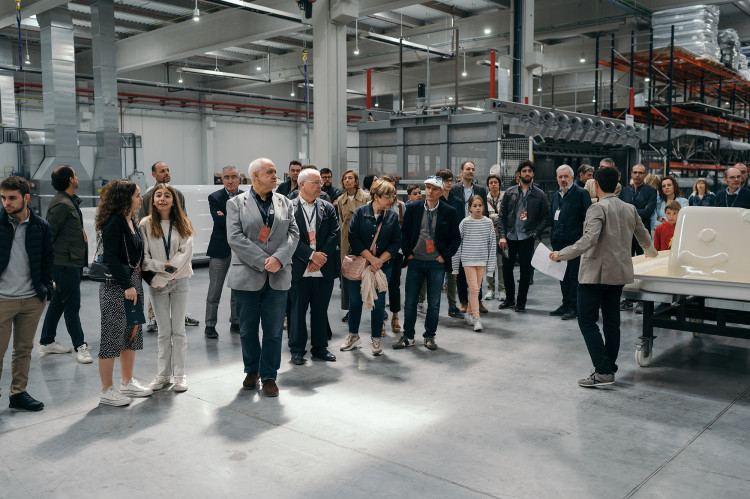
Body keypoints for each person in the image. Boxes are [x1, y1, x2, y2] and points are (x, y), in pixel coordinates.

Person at [550, 166, 657, 388]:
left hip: (594, 276)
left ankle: (603, 370)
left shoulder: (597, 208)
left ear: (596, 185)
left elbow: (588, 240)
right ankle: (608, 367)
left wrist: (561, 254)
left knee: (586, 320)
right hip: (617, 275)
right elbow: (644, 236)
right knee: (611, 322)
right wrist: (653, 255)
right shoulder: (630, 208)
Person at [227, 158, 299, 397]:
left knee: (274, 330)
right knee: (247, 330)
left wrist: (278, 258)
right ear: (255, 176)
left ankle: (269, 375)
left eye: (276, 172)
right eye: (270, 172)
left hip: (278, 275)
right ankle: (251, 370)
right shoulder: (236, 203)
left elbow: (294, 234)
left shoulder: (285, 202)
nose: (275, 176)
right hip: (247, 275)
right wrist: (262, 260)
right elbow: (235, 237)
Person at [96, 179, 153, 407]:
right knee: (111, 335)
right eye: (138, 195)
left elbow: (135, 257)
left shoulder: (132, 220)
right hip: (116, 287)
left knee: (131, 333)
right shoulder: (114, 222)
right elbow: (111, 255)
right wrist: (127, 285)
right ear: (125, 197)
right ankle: (106, 390)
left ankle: (127, 382)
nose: (141, 199)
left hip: (132, 283)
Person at [0, 176, 54, 411]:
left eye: (12, 198)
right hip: (2, 299)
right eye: (3, 198)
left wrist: (45, 290)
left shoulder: (40, 226)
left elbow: (47, 260)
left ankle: (18, 394)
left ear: (26, 198)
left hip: (32, 299)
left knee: (23, 350)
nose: (6, 203)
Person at [140, 184, 194, 393]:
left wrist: (168, 272)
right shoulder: (145, 224)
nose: (162, 198)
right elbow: (144, 259)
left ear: (174, 201)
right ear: (152, 200)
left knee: (178, 330)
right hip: (157, 284)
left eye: (167, 196)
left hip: (180, 281)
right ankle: (163, 375)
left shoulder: (183, 223)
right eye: (158, 195)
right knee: (164, 332)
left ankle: (180, 375)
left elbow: (185, 253)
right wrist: (162, 271)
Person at [396, 176, 460, 350]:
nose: (430, 191)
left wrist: (444, 257)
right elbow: (405, 233)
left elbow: (456, 238)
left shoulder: (449, 211)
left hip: (436, 264)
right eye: (428, 188)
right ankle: (408, 336)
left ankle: (429, 336)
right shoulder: (414, 208)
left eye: (434, 188)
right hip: (415, 262)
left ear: (441, 192)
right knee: (410, 302)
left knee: (434, 302)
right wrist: (408, 254)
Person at [339, 179, 401, 356]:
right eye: (388, 197)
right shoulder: (360, 213)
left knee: (379, 303)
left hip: (382, 266)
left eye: (393, 196)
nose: (391, 200)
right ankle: (353, 336)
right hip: (359, 264)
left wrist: (379, 261)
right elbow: (353, 237)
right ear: (376, 197)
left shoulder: (392, 216)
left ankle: (376, 339)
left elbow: (396, 242)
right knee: (355, 301)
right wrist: (371, 259)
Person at [38, 165, 92, 363]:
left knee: (59, 302)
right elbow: (48, 235)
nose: (78, 178)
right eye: (76, 175)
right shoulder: (61, 204)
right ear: (70, 180)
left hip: (71, 261)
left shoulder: (68, 201)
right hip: (64, 263)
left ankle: (46, 340)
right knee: (72, 306)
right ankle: (80, 346)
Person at [288, 169, 340, 365]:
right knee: (297, 312)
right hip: (299, 267)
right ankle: (297, 350)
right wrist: (310, 256)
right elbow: (288, 237)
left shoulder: (327, 207)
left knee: (320, 311)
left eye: (320, 183)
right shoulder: (288, 207)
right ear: (302, 185)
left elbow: (334, 233)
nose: (320, 186)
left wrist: (319, 258)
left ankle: (320, 347)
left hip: (323, 268)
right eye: (315, 183)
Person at [138, 161, 197, 330]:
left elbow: (183, 220)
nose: (166, 173)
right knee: (164, 330)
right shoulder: (148, 198)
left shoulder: (177, 194)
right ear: (154, 175)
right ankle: (153, 317)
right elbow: (146, 253)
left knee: (178, 331)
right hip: (157, 264)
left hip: (178, 269)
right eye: (162, 171)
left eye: (168, 170)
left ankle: (180, 314)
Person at [497, 160, 550, 312]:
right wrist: (502, 235)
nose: (527, 173)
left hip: (527, 238)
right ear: (519, 174)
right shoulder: (510, 192)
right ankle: (509, 299)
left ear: (533, 174)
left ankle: (521, 302)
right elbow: (502, 216)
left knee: (525, 271)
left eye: (530, 171)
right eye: (524, 171)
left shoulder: (540, 194)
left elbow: (546, 216)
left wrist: (535, 233)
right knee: (507, 269)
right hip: (509, 238)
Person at [204, 166, 243, 339]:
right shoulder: (215, 197)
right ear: (222, 179)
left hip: (240, 250)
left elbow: (250, 222)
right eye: (226, 177)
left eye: (234, 177)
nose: (230, 180)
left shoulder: (246, 197)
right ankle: (210, 325)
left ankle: (236, 322)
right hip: (220, 249)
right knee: (215, 290)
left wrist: (225, 216)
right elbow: (219, 222)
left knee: (237, 289)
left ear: (239, 179)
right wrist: (236, 220)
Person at [549, 165, 592, 321]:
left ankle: (574, 307)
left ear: (573, 178)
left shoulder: (581, 194)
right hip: (558, 242)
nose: (563, 180)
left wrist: (583, 240)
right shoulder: (556, 196)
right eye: (560, 177)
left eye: (566, 176)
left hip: (574, 243)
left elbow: (588, 219)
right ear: (557, 179)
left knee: (574, 277)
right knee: (562, 276)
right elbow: (553, 218)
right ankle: (565, 304)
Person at [450, 161, 489, 314]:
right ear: (461, 172)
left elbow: (484, 213)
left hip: (476, 234)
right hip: (460, 233)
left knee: (478, 267)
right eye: (468, 169)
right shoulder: (454, 189)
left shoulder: (480, 190)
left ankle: (477, 301)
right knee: (460, 269)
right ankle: (464, 302)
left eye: (473, 169)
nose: (471, 171)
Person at [452, 195, 496, 332]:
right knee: (474, 289)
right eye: (475, 206)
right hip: (468, 260)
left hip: (482, 260)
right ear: (469, 208)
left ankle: (469, 313)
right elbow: (458, 245)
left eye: (480, 205)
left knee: (475, 290)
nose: (477, 208)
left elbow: (492, 245)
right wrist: (455, 266)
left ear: (483, 207)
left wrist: (490, 267)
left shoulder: (488, 223)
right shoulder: (464, 223)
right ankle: (477, 318)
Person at [336, 170, 370, 323]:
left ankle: (376, 308)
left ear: (357, 181)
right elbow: (342, 221)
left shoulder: (367, 198)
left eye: (350, 178)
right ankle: (350, 309)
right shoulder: (340, 200)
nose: (347, 181)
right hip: (346, 242)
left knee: (367, 275)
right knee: (348, 277)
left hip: (364, 241)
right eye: (345, 178)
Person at [382, 175, 405, 334]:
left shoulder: (401, 206)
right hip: (379, 253)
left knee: (394, 286)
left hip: (396, 252)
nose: (391, 191)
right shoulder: (376, 206)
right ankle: (380, 319)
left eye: (393, 187)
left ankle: (395, 316)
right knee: (379, 288)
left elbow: (406, 229)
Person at [618, 163, 657, 255]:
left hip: (643, 232)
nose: (637, 175)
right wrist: (640, 210)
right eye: (635, 172)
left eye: (640, 173)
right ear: (631, 174)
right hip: (627, 232)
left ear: (645, 175)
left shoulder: (651, 191)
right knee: (626, 262)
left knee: (643, 262)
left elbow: (648, 212)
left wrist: (627, 210)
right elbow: (619, 210)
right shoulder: (624, 191)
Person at [484, 174, 505, 301]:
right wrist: (496, 218)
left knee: (502, 264)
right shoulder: (484, 198)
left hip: (502, 236)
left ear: (499, 184)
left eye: (495, 182)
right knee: (489, 264)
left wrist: (493, 218)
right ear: (488, 185)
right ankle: (490, 289)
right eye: (491, 182)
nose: (493, 184)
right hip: (489, 236)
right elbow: (484, 216)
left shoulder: (505, 197)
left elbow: (506, 215)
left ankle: (502, 290)